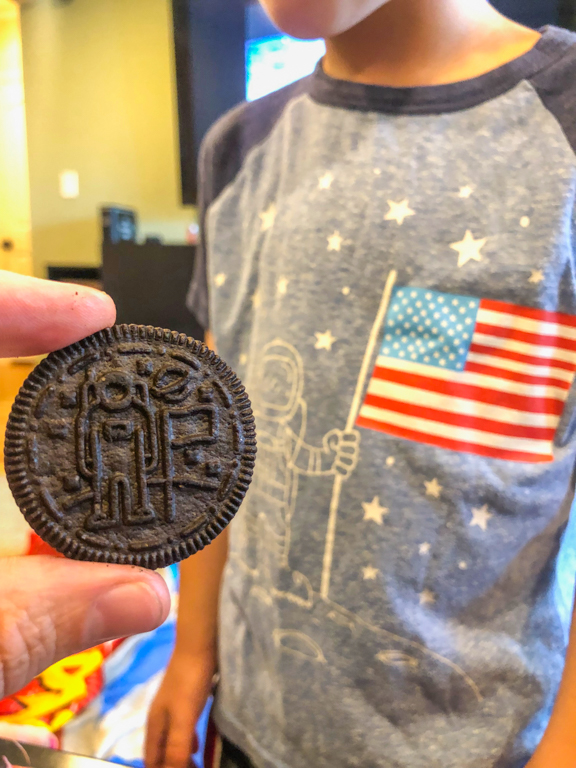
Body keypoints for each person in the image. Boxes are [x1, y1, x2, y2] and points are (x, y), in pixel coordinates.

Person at [145, 1, 576, 766]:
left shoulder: (562, 120)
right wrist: (192, 650)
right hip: (251, 720)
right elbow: (216, 430)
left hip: (479, 747)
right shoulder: (239, 147)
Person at [0, 270, 171, 701]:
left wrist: (148, 461)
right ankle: (110, 510)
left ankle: (131, 509)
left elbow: (151, 442)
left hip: (134, 470)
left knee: (131, 496)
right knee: (110, 498)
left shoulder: (141, 416)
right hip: (104, 472)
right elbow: (83, 440)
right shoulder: (93, 416)